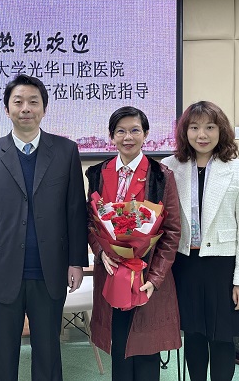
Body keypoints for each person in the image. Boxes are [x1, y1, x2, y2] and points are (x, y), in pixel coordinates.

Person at [0, 74, 88, 381]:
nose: (26, 108)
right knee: (1, 352)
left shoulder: (65, 151)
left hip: (50, 270)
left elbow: (75, 211)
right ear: (6, 109)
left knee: (48, 352)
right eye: (18, 102)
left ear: (44, 109)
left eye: (33, 102)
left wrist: (76, 261)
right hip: (1, 270)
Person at [161, 101, 239, 381]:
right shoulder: (169, 167)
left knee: (222, 337)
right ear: (185, 132)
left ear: (221, 130)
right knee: (193, 334)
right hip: (184, 264)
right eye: (194, 127)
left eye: (210, 127)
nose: (201, 134)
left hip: (223, 266)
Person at [86, 106, 182, 381]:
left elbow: (171, 231)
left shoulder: (161, 175)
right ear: (111, 136)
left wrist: (155, 277)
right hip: (112, 273)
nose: (128, 137)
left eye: (135, 130)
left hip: (147, 275)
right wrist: (101, 251)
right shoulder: (97, 173)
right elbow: (90, 222)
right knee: (119, 347)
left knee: (146, 348)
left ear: (146, 134)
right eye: (121, 131)